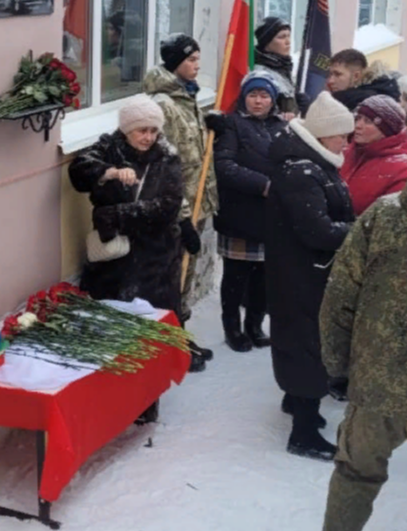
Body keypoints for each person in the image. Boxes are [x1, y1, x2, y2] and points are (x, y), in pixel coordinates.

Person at [319, 151, 407, 531]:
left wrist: (338, 366)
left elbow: (340, 296)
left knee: (354, 476)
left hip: (376, 383)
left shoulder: (383, 216)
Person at [68, 95, 205, 373]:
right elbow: (78, 172)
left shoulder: (166, 157)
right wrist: (109, 172)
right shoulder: (109, 148)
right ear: (126, 129)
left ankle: (162, 369)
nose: (149, 137)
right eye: (142, 130)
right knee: (117, 316)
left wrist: (115, 215)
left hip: (157, 253)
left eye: (154, 130)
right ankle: (122, 370)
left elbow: (167, 207)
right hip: (116, 255)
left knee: (156, 315)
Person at [266, 92, 355, 461]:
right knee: (307, 344)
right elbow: (317, 231)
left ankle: (299, 404)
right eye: (341, 136)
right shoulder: (301, 172)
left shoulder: (314, 163)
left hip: (302, 271)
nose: (346, 143)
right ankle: (302, 433)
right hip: (301, 274)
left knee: (302, 341)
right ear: (321, 134)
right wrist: (358, 231)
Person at [143, 33, 217, 363]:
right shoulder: (164, 104)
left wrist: (211, 127)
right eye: (191, 59)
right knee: (175, 275)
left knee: (186, 274)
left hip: (197, 202)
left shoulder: (187, 96)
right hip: (178, 209)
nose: (197, 65)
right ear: (175, 63)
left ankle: (180, 335)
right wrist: (183, 217)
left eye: (198, 58)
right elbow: (167, 167)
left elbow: (194, 152)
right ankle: (172, 344)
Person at [213, 72, 285, 352]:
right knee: (236, 277)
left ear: (273, 100)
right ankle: (232, 328)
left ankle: (254, 325)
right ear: (244, 97)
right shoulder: (232, 125)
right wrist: (263, 185)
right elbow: (224, 165)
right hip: (239, 214)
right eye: (253, 95)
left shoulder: (282, 127)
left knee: (264, 279)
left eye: (264, 95)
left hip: (271, 217)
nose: (258, 101)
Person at [341, 94, 407, 216]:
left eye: (368, 121)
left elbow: (388, 217)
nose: (358, 125)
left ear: (386, 130)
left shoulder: (402, 169)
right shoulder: (347, 152)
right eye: (358, 118)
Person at [254, 16, 309, 118]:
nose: (288, 42)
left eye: (288, 36)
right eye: (281, 37)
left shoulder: (283, 69)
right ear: (266, 42)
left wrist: (298, 105)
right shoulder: (260, 74)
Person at [327, 49, 400, 111]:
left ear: (356, 76)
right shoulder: (382, 93)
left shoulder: (358, 103)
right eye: (330, 74)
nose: (330, 81)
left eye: (338, 74)